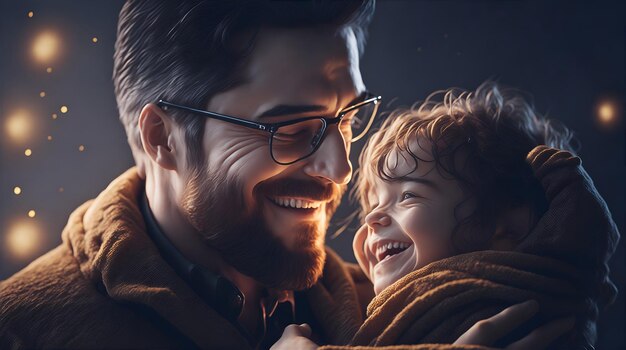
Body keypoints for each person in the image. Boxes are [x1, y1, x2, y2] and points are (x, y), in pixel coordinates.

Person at [0, 2, 564, 349]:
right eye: (290, 128)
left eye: (345, 119)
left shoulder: (406, 306)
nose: (340, 168)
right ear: (161, 139)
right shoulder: (23, 332)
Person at [272, 82, 620, 349]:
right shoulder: (388, 301)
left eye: (407, 196)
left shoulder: (496, 306)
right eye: (373, 204)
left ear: (506, 226)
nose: (373, 219)